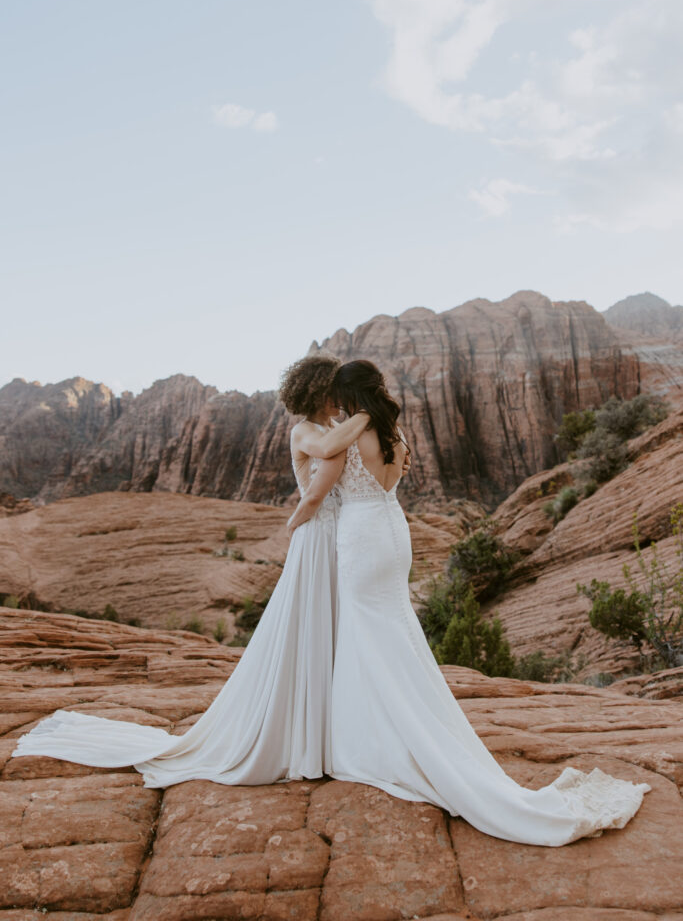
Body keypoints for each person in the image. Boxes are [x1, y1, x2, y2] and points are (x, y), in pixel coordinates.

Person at [288, 358, 652, 846]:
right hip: (393, 530)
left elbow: (326, 474)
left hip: (361, 536)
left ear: (349, 395)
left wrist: (295, 522)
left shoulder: (350, 436)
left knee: (366, 631)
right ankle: (407, 722)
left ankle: (380, 739)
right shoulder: (395, 436)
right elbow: (390, 483)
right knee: (395, 626)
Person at [11, 353, 371, 787]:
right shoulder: (305, 431)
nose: (342, 400)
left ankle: (329, 734)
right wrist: (372, 411)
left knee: (332, 627)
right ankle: (305, 740)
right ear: (320, 389)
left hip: (338, 538)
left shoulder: (334, 426)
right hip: (315, 538)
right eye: (337, 391)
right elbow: (330, 453)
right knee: (308, 627)